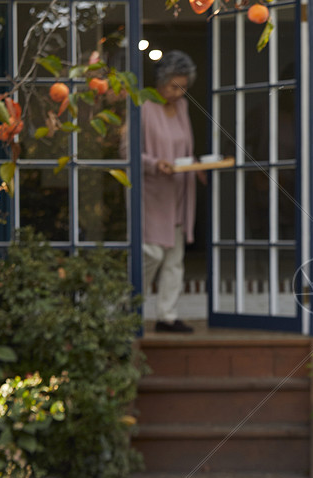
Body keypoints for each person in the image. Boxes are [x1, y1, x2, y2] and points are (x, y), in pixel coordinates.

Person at [141, 50, 204, 333]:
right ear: (160, 81)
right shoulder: (142, 106)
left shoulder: (182, 107)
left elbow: (185, 150)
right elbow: (127, 153)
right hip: (153, 192)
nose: (179, 93)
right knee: (151, 253)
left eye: (183, 87)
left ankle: (167, 316)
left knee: (175, 258)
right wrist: (156, 164)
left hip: (179, 191)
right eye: (173, 87)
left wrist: (197, 166)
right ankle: (132, 310)